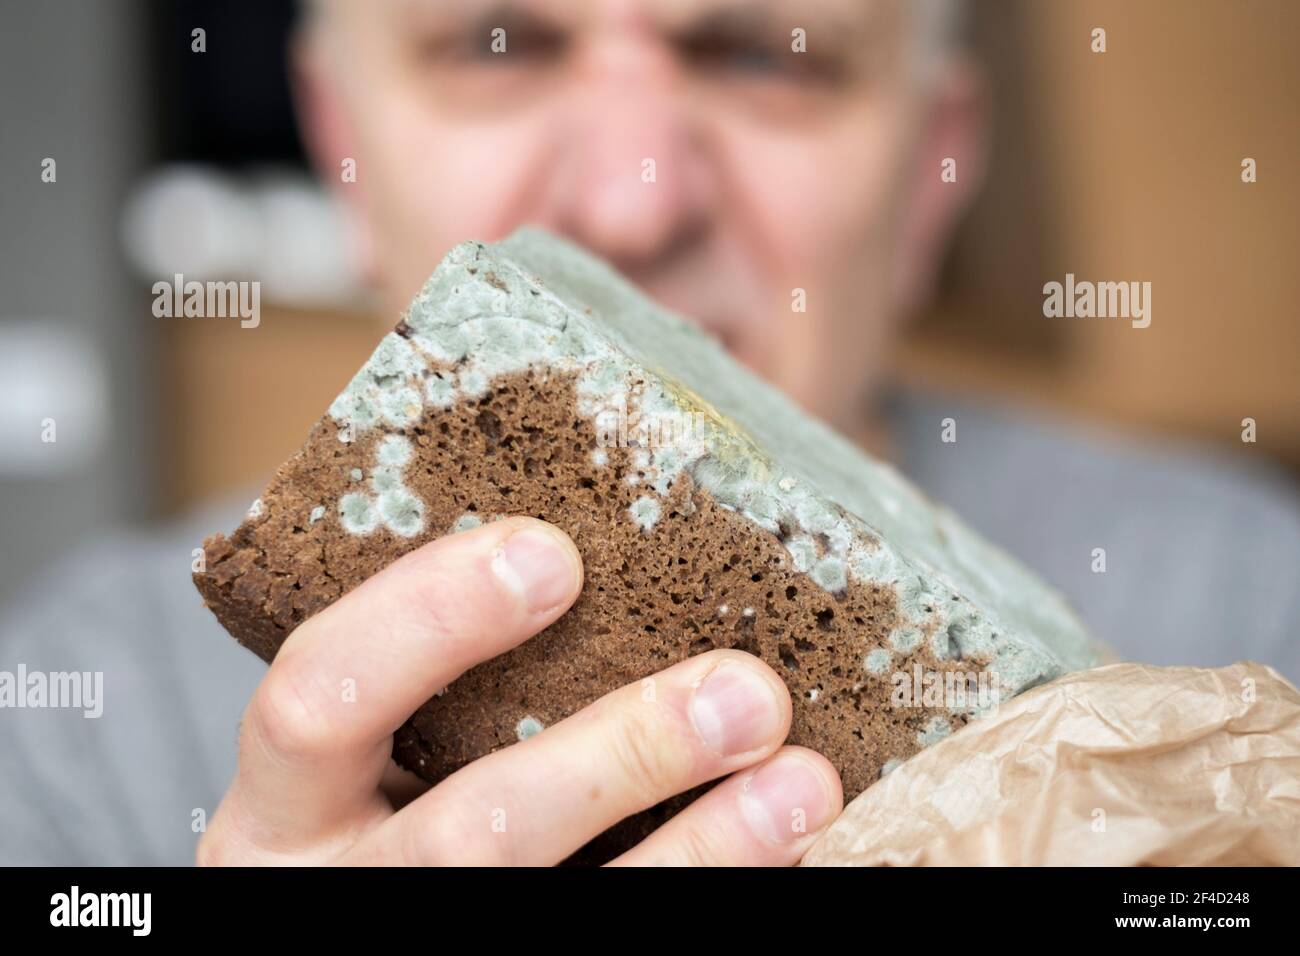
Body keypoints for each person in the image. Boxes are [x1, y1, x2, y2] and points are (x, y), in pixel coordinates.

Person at [2, 0, 1296, 866]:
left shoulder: (1250, 609)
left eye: (764, 54)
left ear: (932, 177)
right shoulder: (79, 723)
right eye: (497, 46)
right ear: (341, 146)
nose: (630, 203)